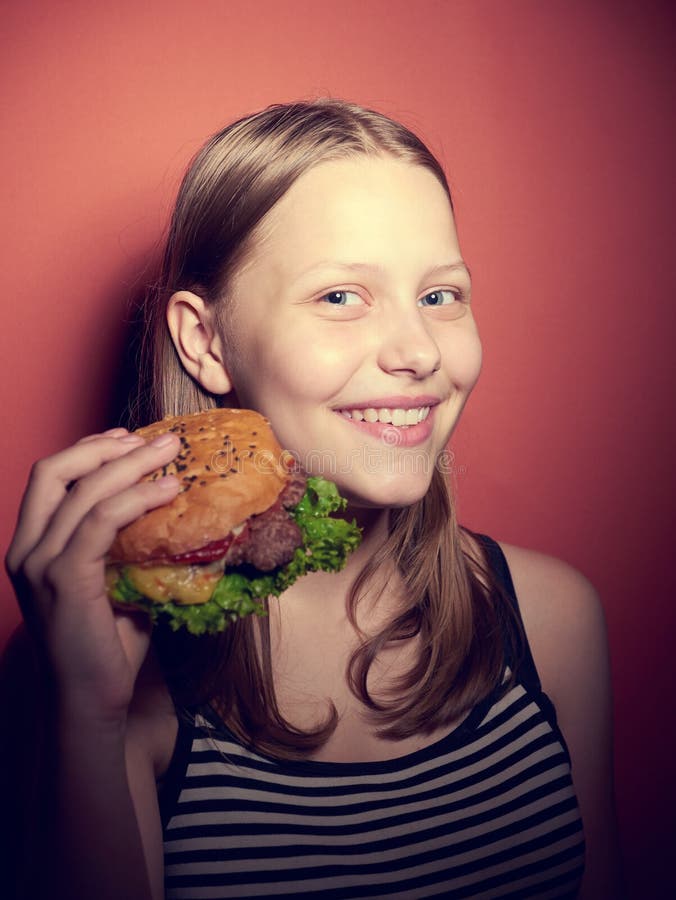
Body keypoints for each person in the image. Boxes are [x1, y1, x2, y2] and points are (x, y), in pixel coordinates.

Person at [1, 99, 622, 899]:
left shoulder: (552, 619)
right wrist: (86, 717)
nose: (420, 352)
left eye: (441, 296)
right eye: (340, 296)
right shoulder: (103, 670)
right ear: (206, 341)